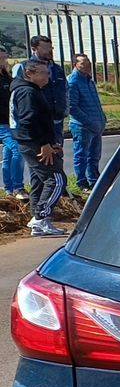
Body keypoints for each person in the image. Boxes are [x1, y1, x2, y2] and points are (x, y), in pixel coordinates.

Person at [11, 59, 69, 237]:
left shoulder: (32, 90)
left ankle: (39, 220)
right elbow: (29, 121)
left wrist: (52, 143)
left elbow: (41, 120)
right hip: (34, 144)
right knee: (57, 179)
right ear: (30, 74)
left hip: (36, 142)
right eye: (43, 73)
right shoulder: (27, 92)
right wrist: (44, 144)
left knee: (39, 180)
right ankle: (40, 217)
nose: (48, 77)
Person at [13, 35, 66, 148]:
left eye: (51, 47)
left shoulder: (57, 69)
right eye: (45, 47)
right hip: (37, 122)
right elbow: (16, 94)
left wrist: (65, 110)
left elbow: (65, 90)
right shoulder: (24, 67)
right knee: (41, 159)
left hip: (56, 119)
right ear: (34, 49)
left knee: (57, 155)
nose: (49, 51)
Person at [66, 53, 106, 189]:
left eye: (88, 61)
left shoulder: (89, 81)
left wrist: (102, 119)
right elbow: (72, 107)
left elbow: (96, 103)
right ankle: (82, 182)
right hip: (82, 126)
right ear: (75, 65)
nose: (87, 65)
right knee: (81, 155)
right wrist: (89, 122)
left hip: (96, 125)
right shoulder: (73, 82)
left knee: (94, 156)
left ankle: (94, 180)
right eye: (83, 63)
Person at [0, 53, 24, 200]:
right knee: (17, 149)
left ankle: (8, 188)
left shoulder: (6, 77)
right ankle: (18, 187)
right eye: (2, 57)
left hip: (12, 121)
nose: (5, 59)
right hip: (1, 124)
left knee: (8, 154)